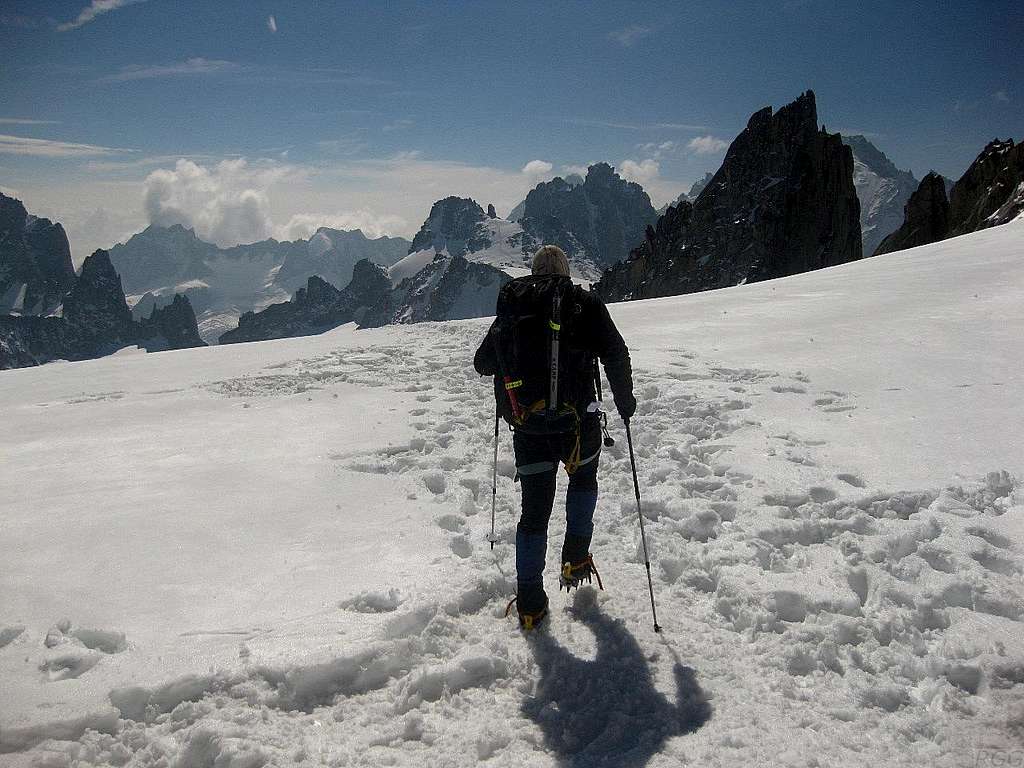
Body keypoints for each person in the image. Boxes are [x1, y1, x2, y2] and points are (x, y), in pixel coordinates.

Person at [473, 245, 635, 629]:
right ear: (565, 272)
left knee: (534, 514)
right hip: (579, 424)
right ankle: (576, 556)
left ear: (532, 273)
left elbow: (483, 363)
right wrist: (625, 402)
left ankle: (530, 602)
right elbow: (615, 352)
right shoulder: (583, 303)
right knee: (584, 480)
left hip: (529, 428)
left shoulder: (513, 305)